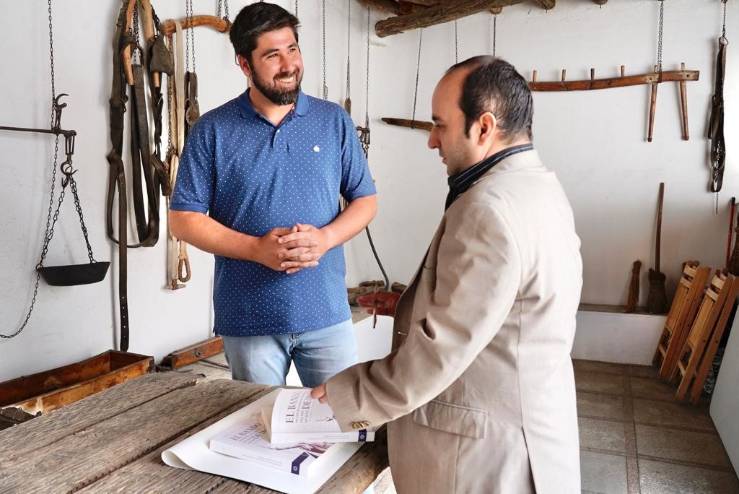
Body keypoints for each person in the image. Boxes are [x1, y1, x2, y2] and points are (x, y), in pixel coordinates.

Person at [312, 56, 582, 493]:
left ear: (484, 126)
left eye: (440, 125)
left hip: (486, 457)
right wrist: (413, 302)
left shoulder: (487, 209)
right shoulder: (539, 187)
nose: (432, 141)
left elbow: (441, 349)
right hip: (534, 432)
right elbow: (504, 310)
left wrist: (350, 395)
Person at [169, 2, 377, 388]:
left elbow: (365, 200)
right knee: (260, 420)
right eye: (272, 55)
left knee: (340, 417)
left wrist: (325, 238)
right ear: (244, 64)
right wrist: (256, 249)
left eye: (292, 49)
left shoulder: (333, 120)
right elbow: (183, 219)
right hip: (249, 319)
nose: (288, 65)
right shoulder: (212, 130)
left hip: (326, 312)